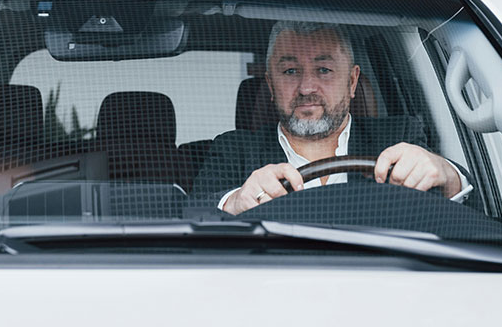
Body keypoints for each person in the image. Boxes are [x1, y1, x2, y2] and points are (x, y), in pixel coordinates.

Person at [192, 21, 473, 215]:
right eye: (290, 71)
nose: (306, 88)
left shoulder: (399, 136)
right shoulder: (234, 149)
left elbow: (468, 216)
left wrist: (448, 175)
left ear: (352, 82)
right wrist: (237, 201)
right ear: (270, 85)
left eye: (324, 70)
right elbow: (193, 213)